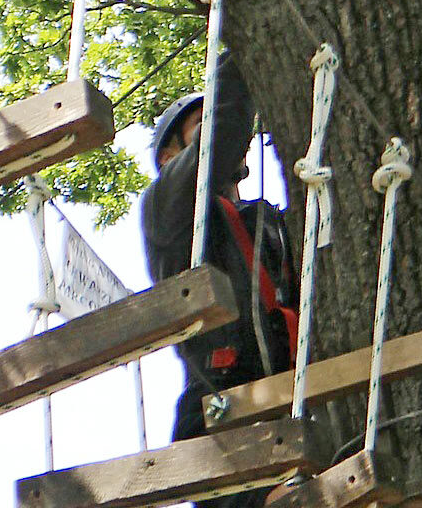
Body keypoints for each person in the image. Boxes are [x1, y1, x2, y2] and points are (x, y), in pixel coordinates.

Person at [141, 50, 297, 507]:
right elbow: (223, 136)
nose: (220, 130)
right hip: (218, 415)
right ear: (171, 156)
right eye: (199, 126)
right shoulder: (165, 209)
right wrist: (238, 45)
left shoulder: (268, 222)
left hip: (290, 400)